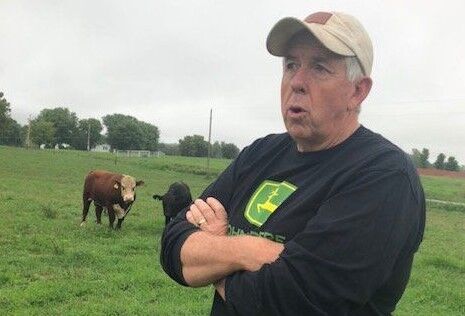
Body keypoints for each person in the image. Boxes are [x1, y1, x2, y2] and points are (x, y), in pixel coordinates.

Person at [160, 10, 425, 316]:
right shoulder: (259, 153)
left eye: (319, 67)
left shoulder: (384, 175)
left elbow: (293, 300)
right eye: (291, 65)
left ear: (357, 91)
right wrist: (248, 250)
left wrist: (213, 252)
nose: (297, 82)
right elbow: (173, 244)